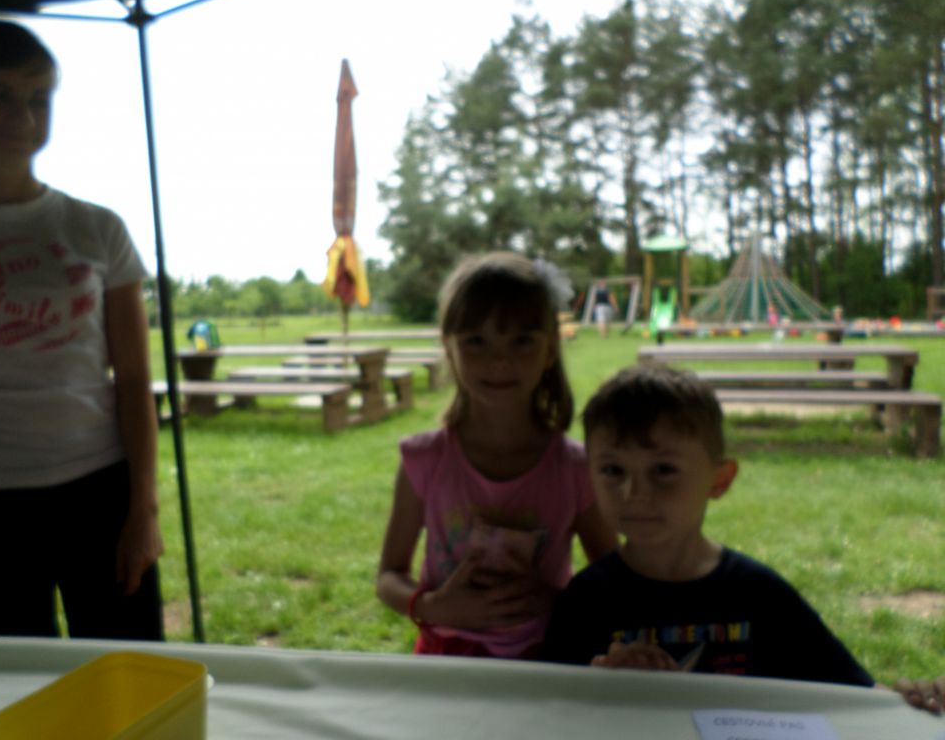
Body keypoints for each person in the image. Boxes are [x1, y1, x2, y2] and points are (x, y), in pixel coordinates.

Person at [0, 19, 163, 639]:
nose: (23, 116)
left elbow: (135, 382)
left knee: (126, 674)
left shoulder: (97, 228)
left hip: (99, 491)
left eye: (39, 97)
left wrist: (143, 510)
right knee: (1, 685)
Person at [542, 365, 945, 713]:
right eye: (613, 471)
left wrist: (913, 699)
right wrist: (604, 683)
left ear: (720, 479)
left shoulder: (760, 596)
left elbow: (855, 694)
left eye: (663, 470)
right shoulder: (586, 602)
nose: (634, 494)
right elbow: (549, 709)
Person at [376, 251, 618, 659]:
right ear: (448, 348)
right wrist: (433, 607)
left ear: (550, 349)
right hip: (445, 663)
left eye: (522, 340)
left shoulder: (576, 469)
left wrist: (555, 601)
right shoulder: (423, 461)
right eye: (476, 341)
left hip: (547, 662)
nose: (500, 360)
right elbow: (388, 576)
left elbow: (612, 584)